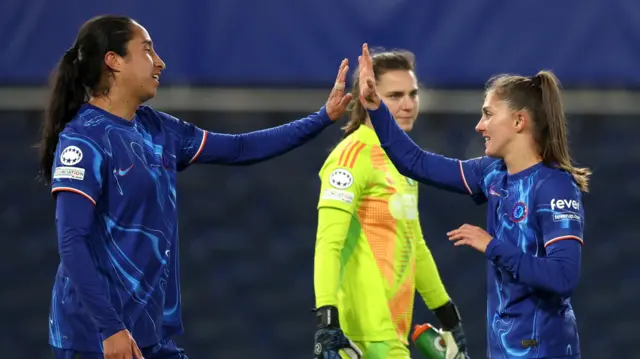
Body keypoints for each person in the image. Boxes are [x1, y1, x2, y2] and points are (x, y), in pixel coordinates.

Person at [40, 15, 353, 359]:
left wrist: (322, 117)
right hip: (95, 338)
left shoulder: (157, 128)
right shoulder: (83, 139)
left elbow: (239, 147)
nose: (160, 62)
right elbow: (71, 242)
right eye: (147, 51)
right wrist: (109, 328)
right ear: (113, 61)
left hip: (148, 333)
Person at [357, 43, 588, 359]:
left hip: (546, 349)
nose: (480, 125)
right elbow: (415, 161)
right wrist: (375, 109)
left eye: (488, 114)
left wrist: (491, 245)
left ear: (519, 121)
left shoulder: (554, 187)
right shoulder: (491, 172)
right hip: (504, 348)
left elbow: (563, 277)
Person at [312, 49, 469, 359]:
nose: (408, 104)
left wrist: (449, 317)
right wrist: (327, 323)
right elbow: (327, 244)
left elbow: (415, 244)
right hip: (361, 335)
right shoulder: (351, 158)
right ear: (368, 97)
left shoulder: (405, 162)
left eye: (413, 94)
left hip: (392, 333)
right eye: (395, 96)